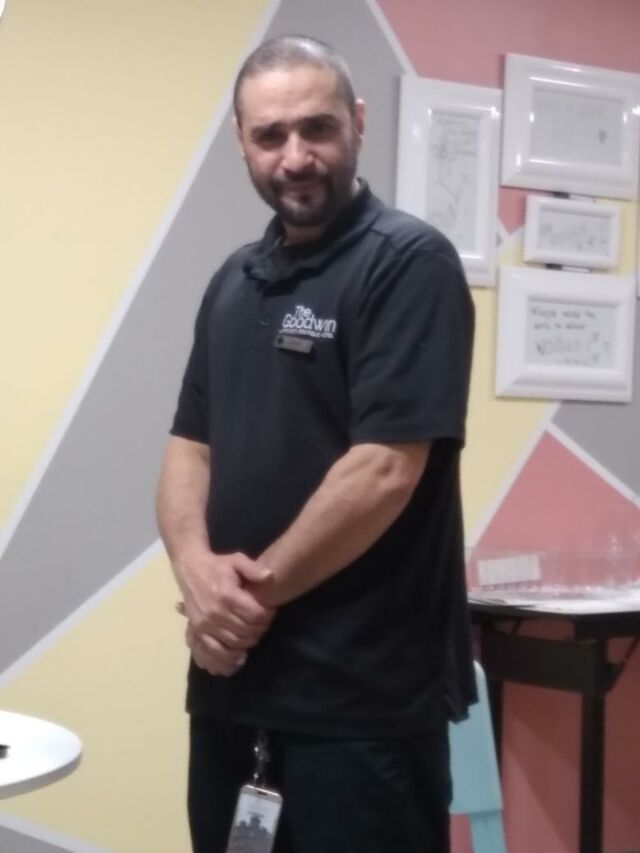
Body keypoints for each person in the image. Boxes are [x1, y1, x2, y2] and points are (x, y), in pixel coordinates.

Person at [156, 34, 475, 853]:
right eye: (270, 135)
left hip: (363, 706)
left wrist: (244, 602)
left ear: (357, 122)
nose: (295, 157)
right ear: (241, 141)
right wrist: (196, 573)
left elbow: (383, 470)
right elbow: (189, 447)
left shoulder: (409, 265)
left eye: (317, 128)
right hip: (233, 688)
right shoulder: (234, 281)